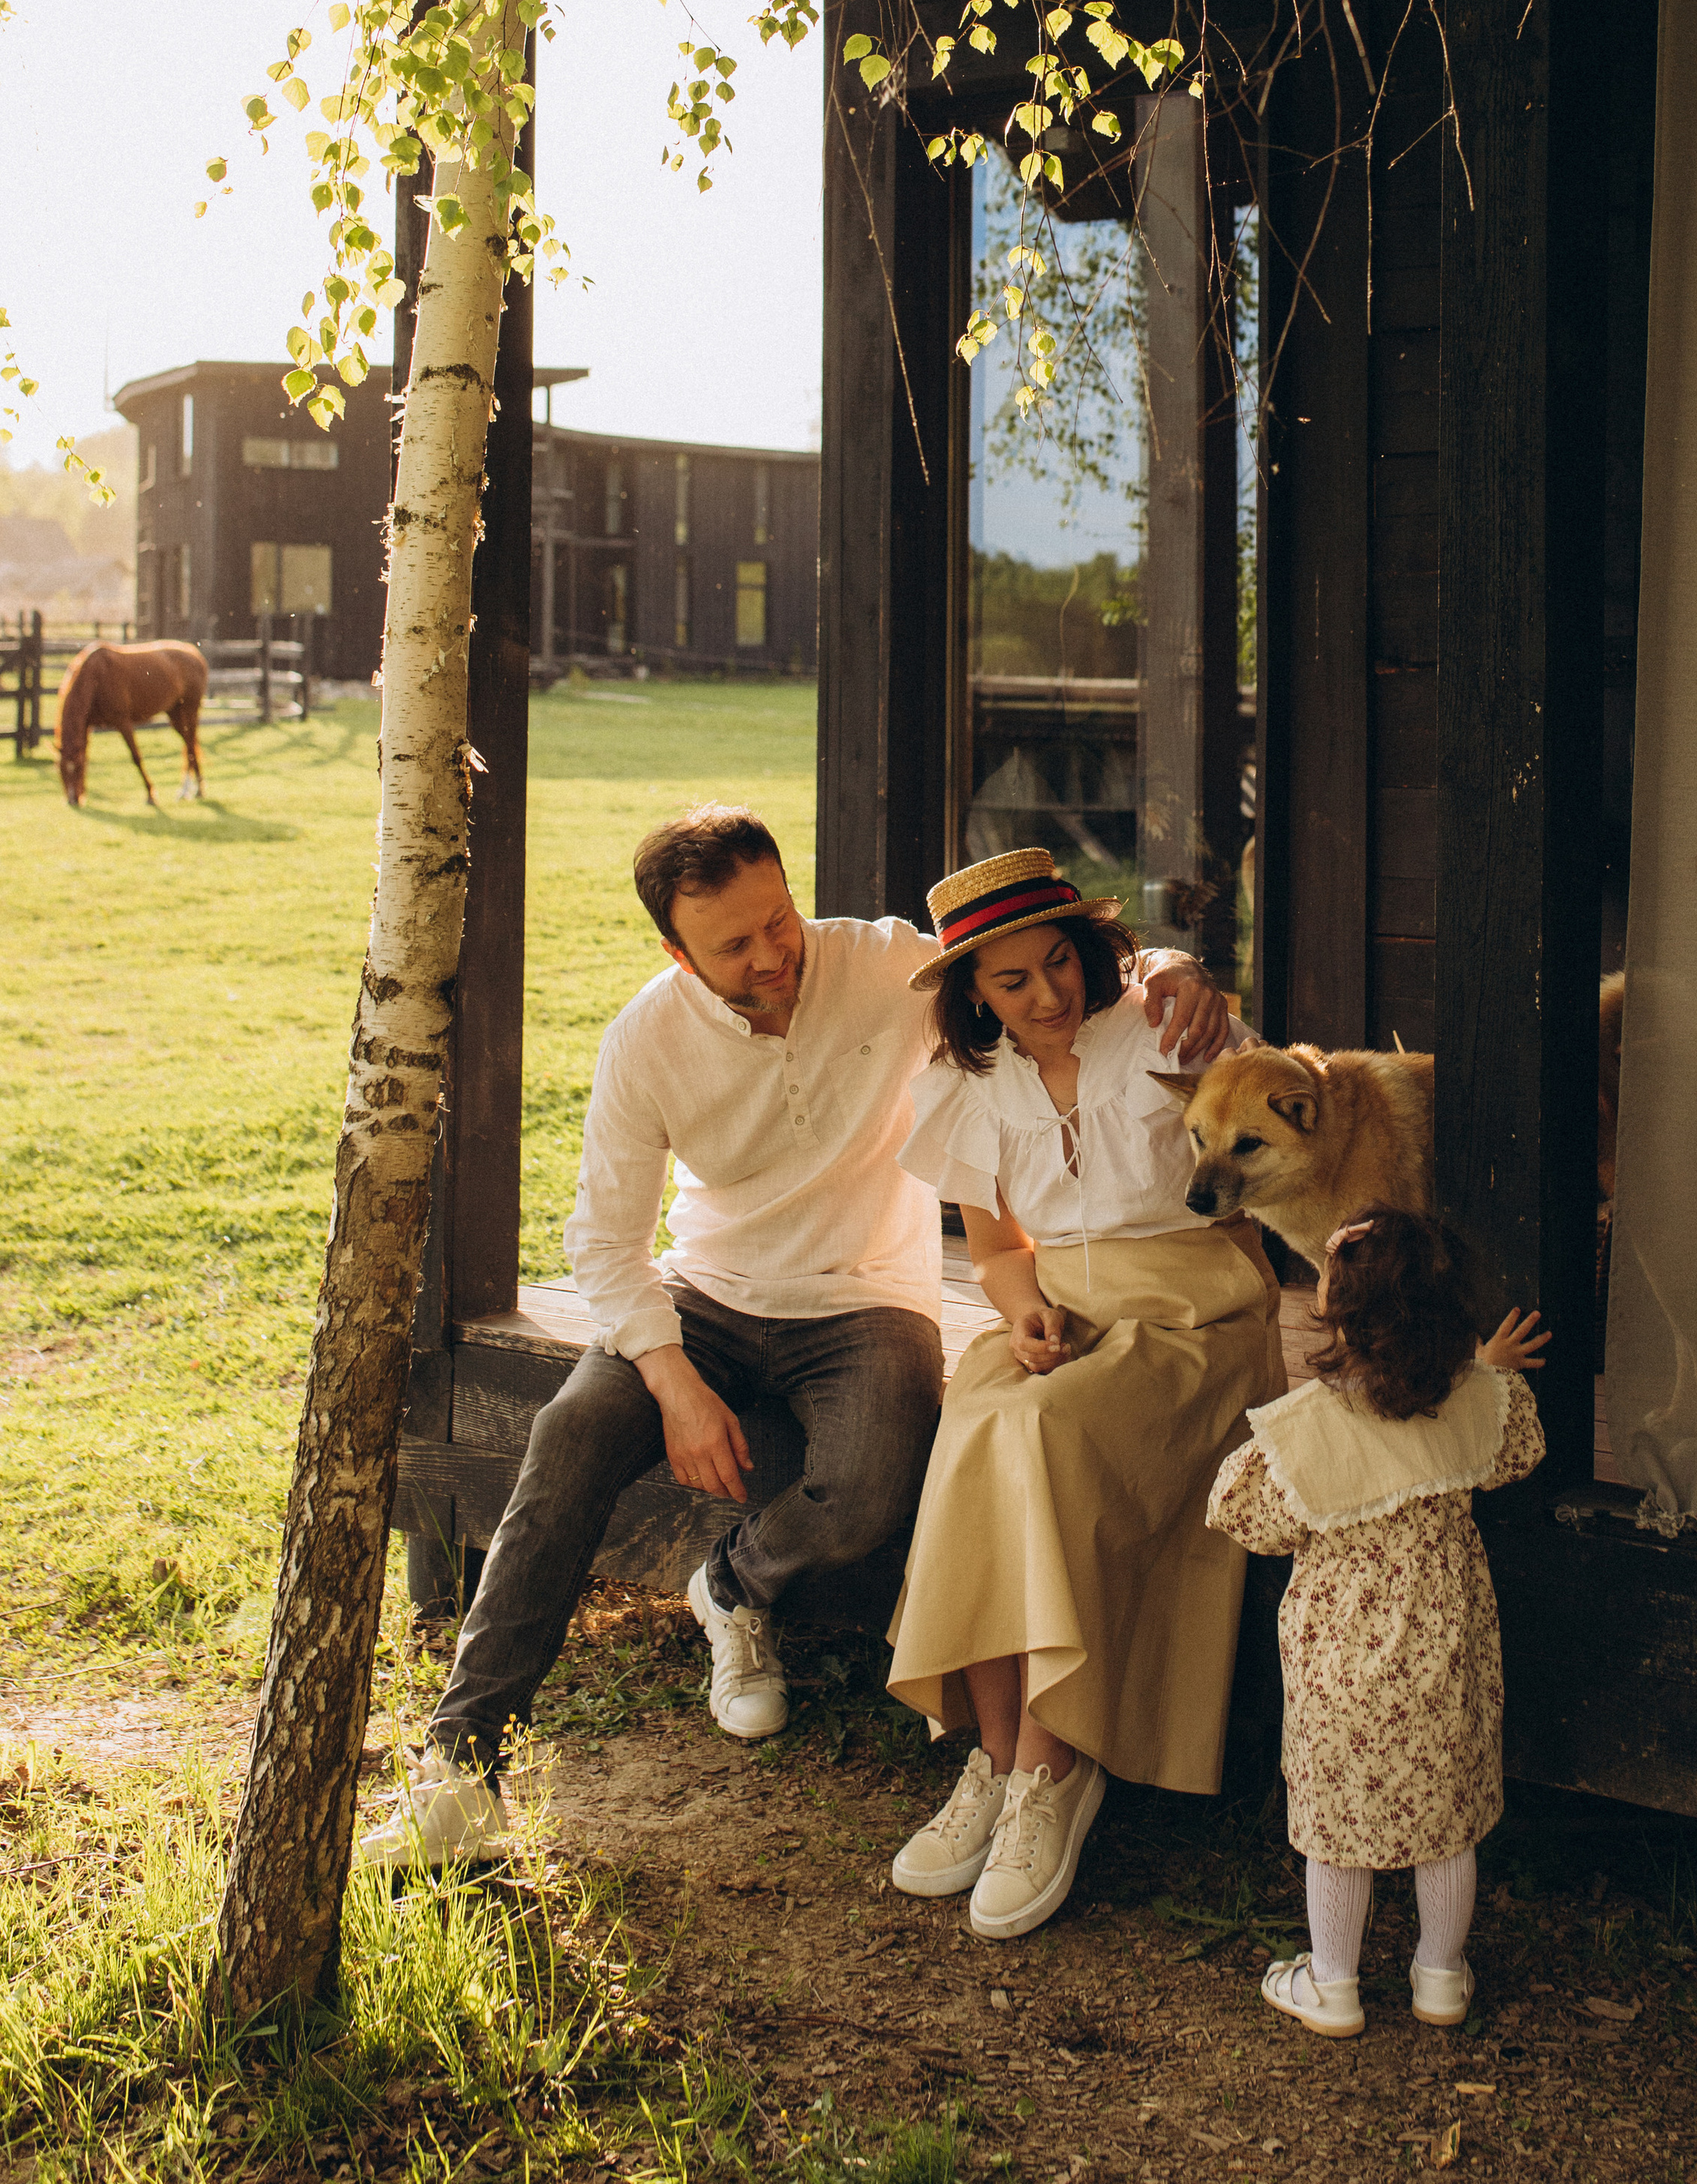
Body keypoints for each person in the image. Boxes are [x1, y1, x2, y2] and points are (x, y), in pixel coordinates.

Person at [360, 807, 1227, 1869]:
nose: (773, 954)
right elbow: (605, 1242)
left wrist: (1174, 966)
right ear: (676, 953)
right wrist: (672, 1381)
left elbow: (1031, 959)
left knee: (872, 1481)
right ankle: (462, 1769)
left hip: (866, 1303)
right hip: (707, 1297)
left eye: (779, 920)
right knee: (570, 1432)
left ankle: (734, 1584)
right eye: (734, 944)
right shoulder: (646, 1039)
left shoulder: (884, 966)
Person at [882, 849, 1285, 1942]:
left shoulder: (1167, 1030)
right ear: (974, 993)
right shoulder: (973, 1085)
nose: (1048, 995)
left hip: (1196, 1318)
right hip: (1065, 1314)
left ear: (1091, 951)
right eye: (1012, 981)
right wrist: (1023, 1315)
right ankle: (996, 1758)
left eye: (1059, 962)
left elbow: (1282, 1151)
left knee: (1042, 1430)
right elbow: (998, 1253)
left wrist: (1182, 970)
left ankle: (1055, 1768)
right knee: (980, 1421)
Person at [1205, 1207, 1546, 2039]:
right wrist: (1485, 1369)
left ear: (1334, 1313)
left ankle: (1334, 1985)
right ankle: (1440, 1978)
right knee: (1448, 1826)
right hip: (1445, 1661)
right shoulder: (1475, 1402)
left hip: (1340, 1674)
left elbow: (1243, 1516)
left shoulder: (1310, 1432)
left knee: (1337, 1832)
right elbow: (1514, 1447)